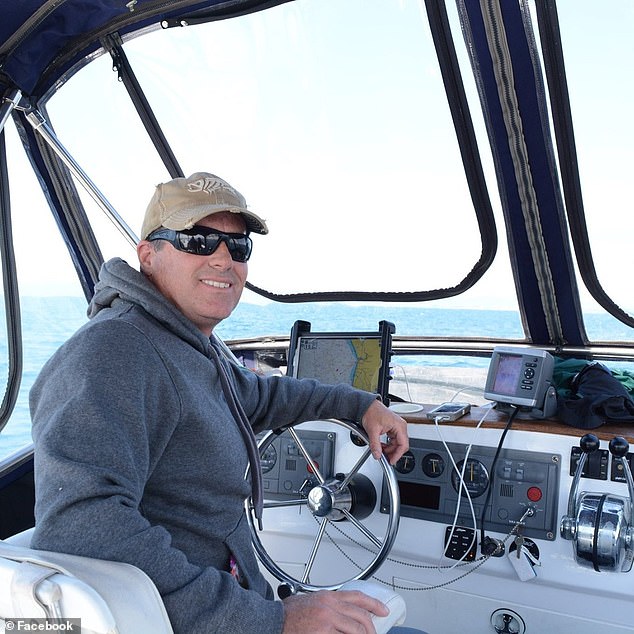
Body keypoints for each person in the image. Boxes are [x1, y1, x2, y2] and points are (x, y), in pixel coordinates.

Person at [30, 172, 412, 634]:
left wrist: (359, 405)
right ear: (148, 255)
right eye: (197, 240)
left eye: (238, 246)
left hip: (230, 605)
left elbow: (260, 396)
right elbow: (80, 524)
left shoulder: (189, 344)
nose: (223, 259)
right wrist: (274, 620)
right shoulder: (114, 352)